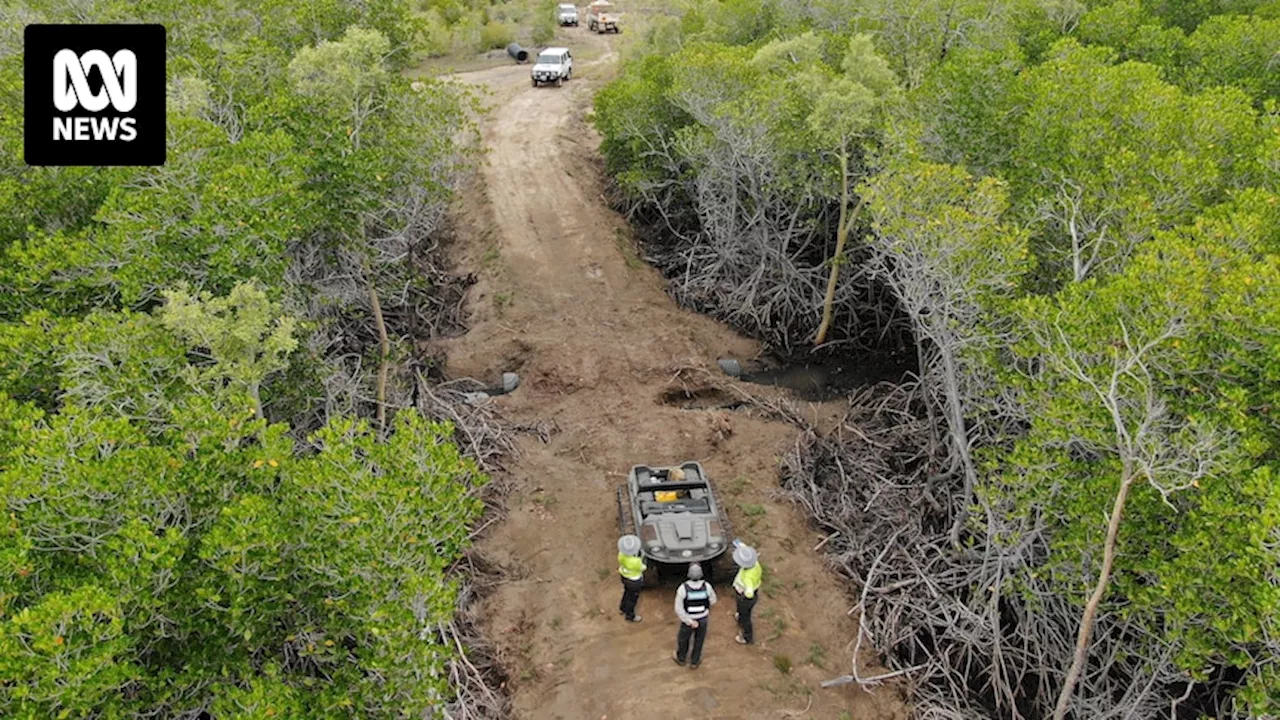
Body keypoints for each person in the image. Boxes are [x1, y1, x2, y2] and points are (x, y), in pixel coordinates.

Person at [673, 562, 717, 669]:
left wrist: (689, 621)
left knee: (683, 640)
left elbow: (678, 608)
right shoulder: (707, 586)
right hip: (703, 618)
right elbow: (713, 600)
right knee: (699, 640)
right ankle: (694, 661)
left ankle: (681, 658)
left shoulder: (683, 588)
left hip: (689, 620)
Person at [731, 543, 762, 644]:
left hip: (745, 598)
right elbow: (746, 551)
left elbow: (749, 593)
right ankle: (739, 616)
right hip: (750, 592)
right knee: (741, 611)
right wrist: (740, 546)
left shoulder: (748, 577)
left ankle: (747, 637)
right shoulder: (755, 562)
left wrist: (745, 593)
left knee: (746, 618)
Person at [617, 534, 645, 622]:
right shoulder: (636, 561)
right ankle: (630, 616)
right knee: (632, 599)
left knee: (626, 593)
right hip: (634, 581)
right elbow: (643, 568)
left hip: (625, 577)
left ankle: (622, 608)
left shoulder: (621, 555)